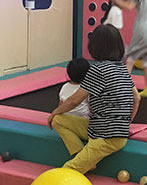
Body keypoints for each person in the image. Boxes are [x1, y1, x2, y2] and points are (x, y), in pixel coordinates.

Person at [48, 24, 140, 174]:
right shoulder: (122, 68)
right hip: (107, 131)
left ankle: (83, 160)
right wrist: (126, 123)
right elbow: (137, 98)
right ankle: (82, 155)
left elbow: (74, 100)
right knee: (59, 120)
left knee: (68, 170)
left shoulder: (97, 70)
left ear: (95, 47)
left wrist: (54, 112)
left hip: (105, 137)